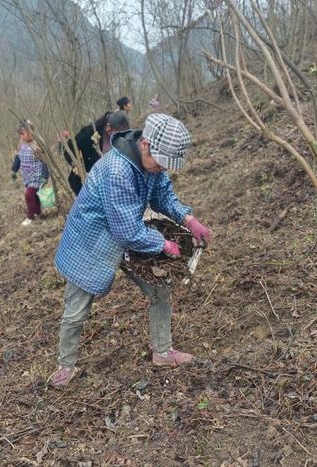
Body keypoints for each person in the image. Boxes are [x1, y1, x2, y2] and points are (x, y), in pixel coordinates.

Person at [48, 113, 212, 387]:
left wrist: (188, 219)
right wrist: (163, 244)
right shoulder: (117, 170)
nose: (161, 169)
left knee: (161, 287)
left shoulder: (152, 166)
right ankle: (65, 365)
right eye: (160, 164)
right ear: (145, 145)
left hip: (129, 230)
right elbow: (125, 230)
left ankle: (162, 351)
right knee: (76, 311)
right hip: (91, 241)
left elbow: (163, 196)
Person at [63, 111, 130, 195]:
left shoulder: (119, 138)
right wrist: (76, 165)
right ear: (108, 127)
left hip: (106, 182)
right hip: (86, 182)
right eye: (118, 132)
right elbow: (69, 149)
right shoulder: (89, 133)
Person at [16, 122, 49, 226]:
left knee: (29, 194)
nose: (21, 136)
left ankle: (30, 217)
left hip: (37, 174)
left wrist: (44, 177)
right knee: (34, 195)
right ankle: (38, 214)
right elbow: (18, 156)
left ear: (31, 133)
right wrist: (14, 168)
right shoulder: (21, 143)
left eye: (23, 134)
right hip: (27, 175)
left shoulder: (37, 143)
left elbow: (45, 160)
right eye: (20, 134)